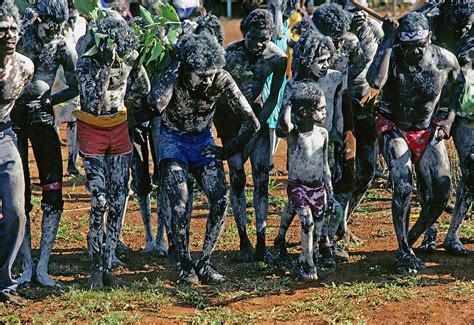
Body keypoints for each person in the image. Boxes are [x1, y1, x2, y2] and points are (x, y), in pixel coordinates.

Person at [148, 33, 260, 285]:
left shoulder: (221, 79)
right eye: (202, 75)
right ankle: (185, 264)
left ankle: (205, 261)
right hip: (172, 140)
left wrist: (226, 151)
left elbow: (251, 122)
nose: (208, 80)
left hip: (202, 141)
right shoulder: (175, 74)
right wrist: (176, 65)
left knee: (220, 199)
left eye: (212, 73)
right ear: (188, 68)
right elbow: (155, 105)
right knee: (180, 202)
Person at [367, 12, 465, 274]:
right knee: (402, 183)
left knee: (442, 192)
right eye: (407, 47)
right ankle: (404, 250)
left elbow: (457, 88)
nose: (412, 53)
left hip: (426, 129)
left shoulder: (445, 60)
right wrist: (388, 39)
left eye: (418, 47)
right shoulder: (393, 54)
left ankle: (409, 239)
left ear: (428, 40)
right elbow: (375, 82)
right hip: (394, 127)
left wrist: (448, 118)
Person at [75, 10, 150, 288]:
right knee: (100, 200)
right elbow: (92, 101)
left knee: (118, 201)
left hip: (118, 130)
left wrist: (125, 107)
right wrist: (105, 68)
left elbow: (143, 87)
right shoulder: (86, 63)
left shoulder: (130, 58)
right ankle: (96, 265)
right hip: (91, 128)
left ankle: (108, 264)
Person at [13, 0, 78, 288]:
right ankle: (26, 265)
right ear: (39, 19)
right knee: (18, 193)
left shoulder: (62, 46)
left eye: (58, 26)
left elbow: (76, 85)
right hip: (12, 120)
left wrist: (52, 99)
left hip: (43, 119)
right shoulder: (21, 35)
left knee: (53, 189)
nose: (52, 31)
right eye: (48, 25)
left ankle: (42, 266)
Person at [214, 9, 287, 263]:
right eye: (253, 37)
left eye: (263, 39)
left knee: (261, 180)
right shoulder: (228, 56)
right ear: (245, 33)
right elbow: (218, 98)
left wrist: (256, 125)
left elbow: (274, 97)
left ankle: (260, 242)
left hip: (258, 118)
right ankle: (243, 240)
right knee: (236, 179)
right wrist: (229, 134)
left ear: (270, 38)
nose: (257, 44)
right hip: (231, 121)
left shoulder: (277, 59)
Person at [275, 30, 344, 267]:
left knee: (323, 197)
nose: (325, 66)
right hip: (302, 148)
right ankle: (290, 243)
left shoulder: (334, 78)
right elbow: (282, 126)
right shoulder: (294, 85)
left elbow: (340, 110)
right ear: (306, 60)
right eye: (320, 61)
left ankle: (325, 241)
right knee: (301, 196)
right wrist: (287, 120)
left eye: (328, 60)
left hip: (327, 141)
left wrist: (344, 137)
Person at [418, 0, 473, 255]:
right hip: (430, 105)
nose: (462, 30)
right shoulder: (429, 20)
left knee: (472, 168)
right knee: (428, 175)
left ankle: (453, 235)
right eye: (456, 25)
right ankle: (428, 230)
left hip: (465, 107)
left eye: (467, 25)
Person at [276, 81, 335, 281]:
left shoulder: (323, 134)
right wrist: (289, 105)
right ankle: (305, 260)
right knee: (307, 221)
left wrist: (330, 191)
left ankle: (284, 242)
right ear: (305, 111)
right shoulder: (295, 133)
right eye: (320, 109)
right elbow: (284, 125)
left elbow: (325, 164)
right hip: (297, 186)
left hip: (317, 187)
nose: (324, 113)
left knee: (317, 224)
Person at [0, 0, 34, 304]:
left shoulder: (25, 66)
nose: (9, 34)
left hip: (4, 137)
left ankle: (3, 283)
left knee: (16, 212)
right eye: (2, 29)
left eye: (13, 28)